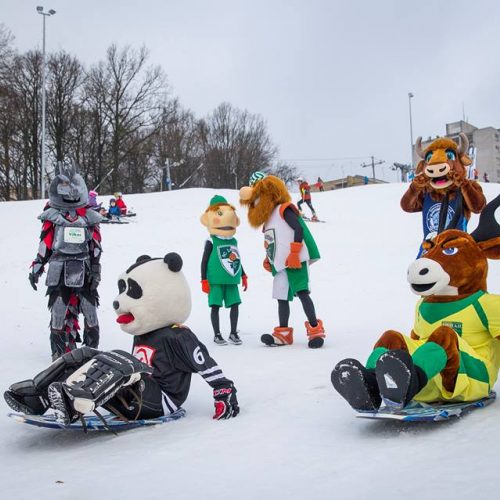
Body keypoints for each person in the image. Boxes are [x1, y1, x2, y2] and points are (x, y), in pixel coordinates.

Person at [5, 253, 239, 424]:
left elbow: (204, 363)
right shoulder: (144, 332)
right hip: (136, 392)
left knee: (120, 360)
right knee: (88, 354)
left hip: (162, 401)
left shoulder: (178, 335)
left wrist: (223, 390)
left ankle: (75, 403)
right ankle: (38, 396)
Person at [239, 172, 325, 348]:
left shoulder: (283, 209)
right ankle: (283, 334)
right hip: (280, 265)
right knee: (281, 298)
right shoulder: (267, 220)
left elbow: (297, 229)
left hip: (296, 260)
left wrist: (295, 252)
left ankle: (315, 330)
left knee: (302, 293)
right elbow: (273, 242)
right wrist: (268, 258)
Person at [29, 162, 103, 360]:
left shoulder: (88, 216)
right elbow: (45, 244)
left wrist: (96, 270)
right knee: (58, 313)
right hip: (58, 268)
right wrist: (37, 266)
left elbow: (95, 246)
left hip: (84, 267)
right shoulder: (52, 215)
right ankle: (59, 355)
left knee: (90, 312)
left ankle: (90, 353)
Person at [200, 195, 248, 346]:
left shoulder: (233, 240)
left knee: (235, 304)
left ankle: (233, 333)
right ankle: (217, 334)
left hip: (231, 278)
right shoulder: (211, 240)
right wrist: (204, 279)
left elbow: (236, 259)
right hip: (215, 279)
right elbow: (204, 261)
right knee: (215, 306)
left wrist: (243, 274)